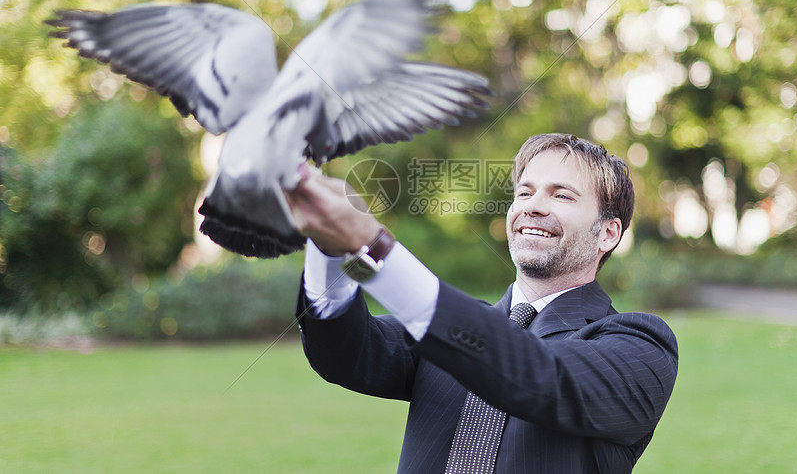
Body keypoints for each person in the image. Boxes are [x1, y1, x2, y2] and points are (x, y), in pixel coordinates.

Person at [284, 133, 678, 474]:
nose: (532, 206)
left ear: (608, 233)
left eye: (561, 195)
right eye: (524, 192)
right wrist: (326, 240)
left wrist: (376, 250)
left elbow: (537, 374)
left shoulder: (641, 348)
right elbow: (345, 350)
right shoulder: (444, 329)